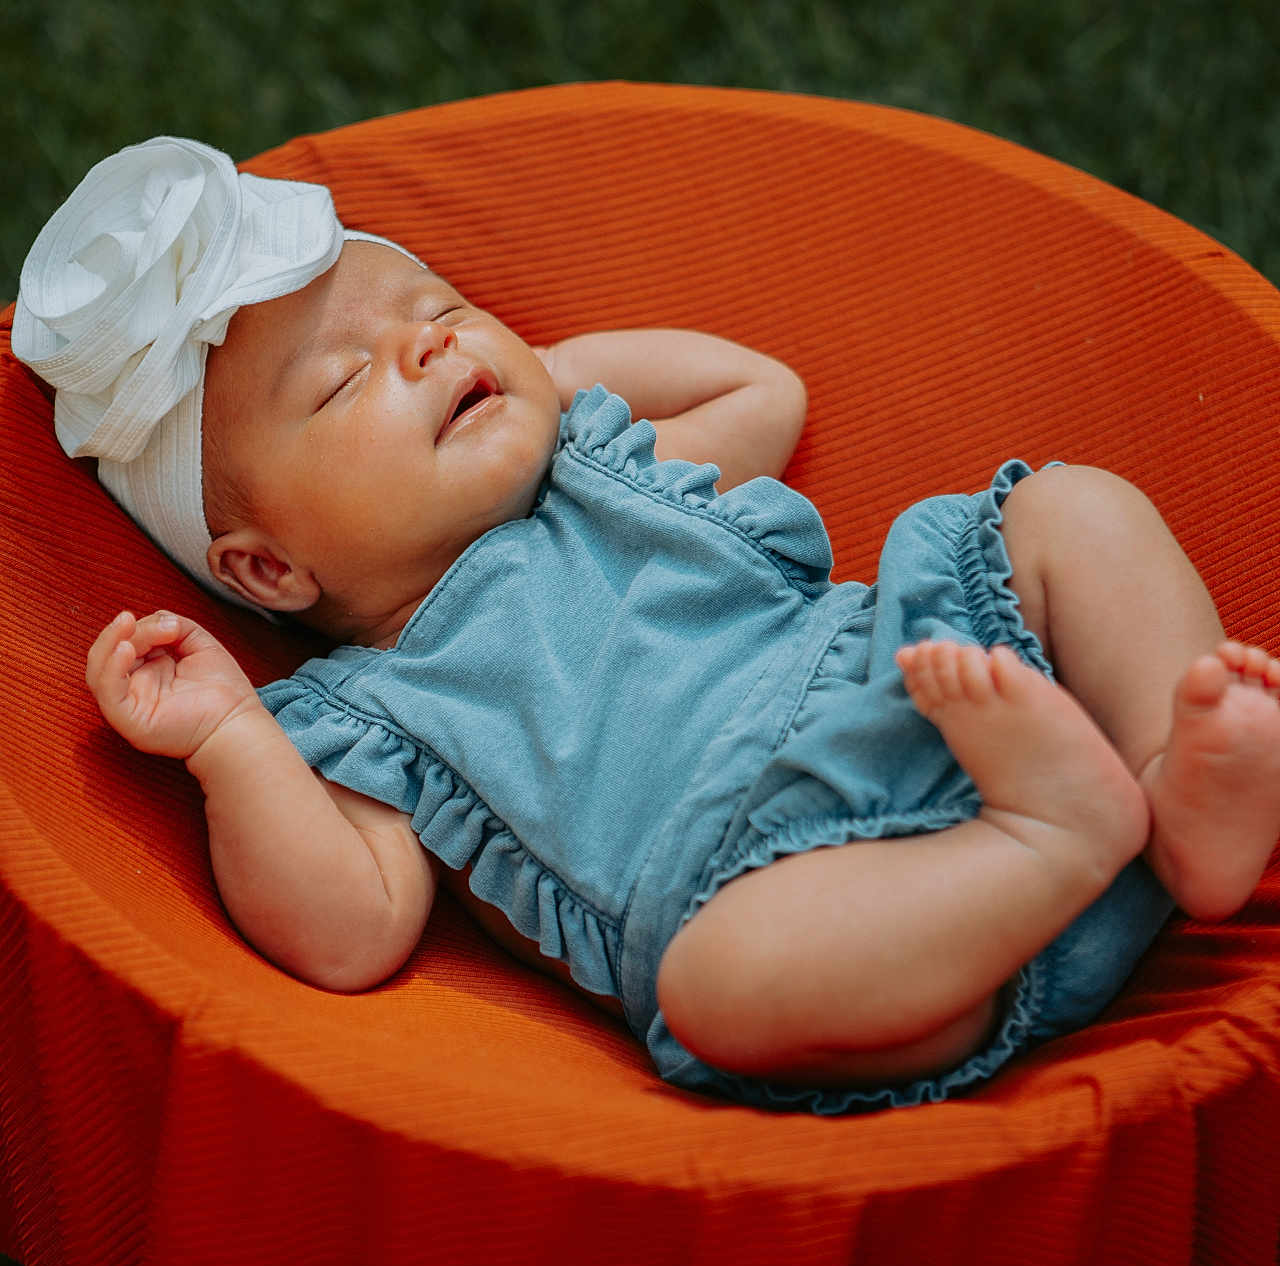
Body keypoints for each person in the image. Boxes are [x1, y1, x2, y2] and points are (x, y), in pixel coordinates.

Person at [15, 138, 1280, 1114]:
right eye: (347, 378)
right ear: (268, 565)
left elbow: (761, 390)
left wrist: (538, 375)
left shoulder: (607, 471)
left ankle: (1181, 796)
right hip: (839, 914)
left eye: (438, 306)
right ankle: (1051, 837)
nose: (427, 346)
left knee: (1066, 508)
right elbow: (351, 933)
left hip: (920, 681)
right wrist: (231, 735)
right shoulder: (372, 712)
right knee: (714, 988)